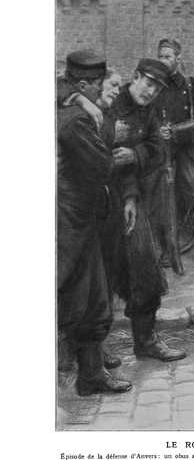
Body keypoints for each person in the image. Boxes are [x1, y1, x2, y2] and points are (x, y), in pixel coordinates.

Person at [57, 50, 131, 395]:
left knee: (88, 296)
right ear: (84, 84)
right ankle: (88, 377)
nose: (103, 90)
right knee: (87, 298)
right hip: (72, 221)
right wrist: (111, 134)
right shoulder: (78, 121)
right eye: (99, 84)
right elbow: (101, 165)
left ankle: (90, 373)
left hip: (76, 217)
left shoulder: (69, 106)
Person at [103, 58, 187, 361]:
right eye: (148, 84)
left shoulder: (148, 112)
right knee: (98, 277)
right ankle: (88, 350)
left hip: (129, 199)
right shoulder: (110, 103)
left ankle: (146, 340)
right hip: (98, 201)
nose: (150, 92)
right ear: (135, 77)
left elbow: (157, 150)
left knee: (145, 267)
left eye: (157, 89)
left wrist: (135, 154)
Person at [151, 38, 194, 268]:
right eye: (160, 56)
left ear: (178, 59)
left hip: (188, 150)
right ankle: (167, 248)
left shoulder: (191, 86)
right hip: (162, 150)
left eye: (167, 57)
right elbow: (146, 115)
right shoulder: (154, 84)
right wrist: (157, 129)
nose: (163, 61)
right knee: (163, 200)